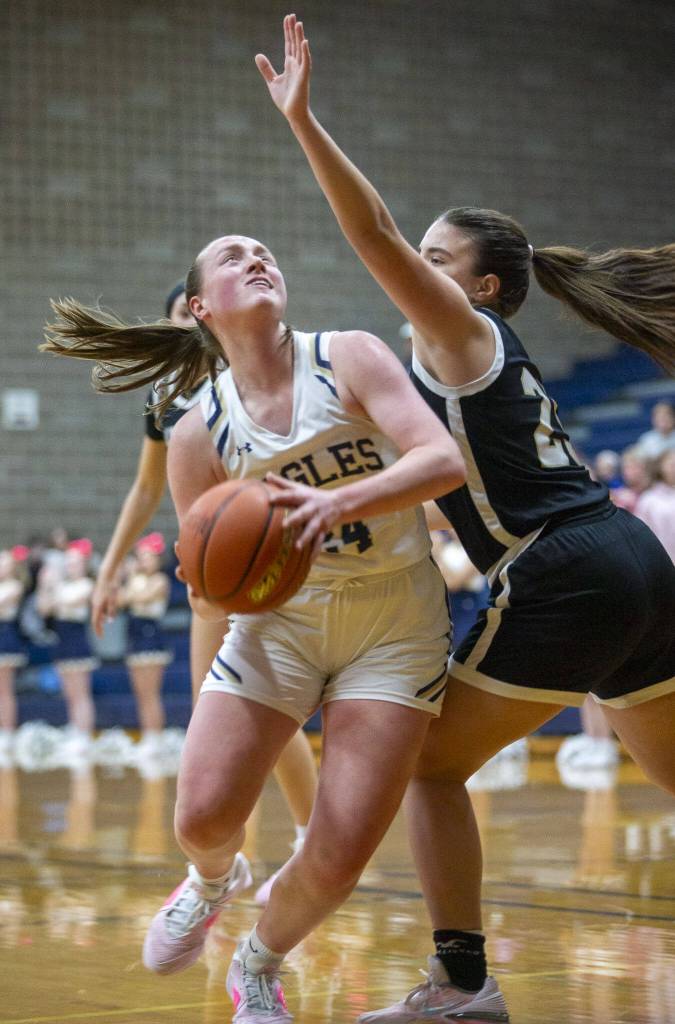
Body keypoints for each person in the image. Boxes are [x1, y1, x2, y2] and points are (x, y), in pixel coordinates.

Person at [257, 17, 675, 1022]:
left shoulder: (465, 335)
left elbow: (370, 235)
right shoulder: (428, 376)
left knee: (427, 763)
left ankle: (462, 982)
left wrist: (305, 123)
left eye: (439, 257)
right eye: (427, 255)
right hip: (633, 561)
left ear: (482, 287)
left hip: (567, 565)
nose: (419, 265)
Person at [41, 231, 466, 1022]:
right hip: (280, 625)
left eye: (265, 251)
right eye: (233, 256)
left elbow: (442, 461)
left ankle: (259, 963)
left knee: (337, 858)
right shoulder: (197, 429)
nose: (257, 257)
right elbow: (208, 583)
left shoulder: (349, 356)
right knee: (201, 816)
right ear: (201, 306)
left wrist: (338, 502)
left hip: (393, 623)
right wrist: (204, 581)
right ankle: (212, 879)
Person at [90, 282, 318, 879]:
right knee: (213, 709)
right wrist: (108, 570)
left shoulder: (255, 376)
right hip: (210, 570)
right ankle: (228, 859)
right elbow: (145, 490)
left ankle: (308, 840)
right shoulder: (165, 394)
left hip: (270, 558)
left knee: (263, 706)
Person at [36, 539, 98, 764]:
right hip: (62, 641)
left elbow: (64, 602)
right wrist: (45, 585)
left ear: (84, 564)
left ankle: (84, 736)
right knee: (70, 693)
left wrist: (53, 588)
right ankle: (75, 731)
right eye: (68, 562)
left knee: (81, 693)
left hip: (77, 640)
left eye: (75, 562)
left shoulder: (87, 585)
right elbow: (44, 609)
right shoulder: (61, 585)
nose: (71, 566)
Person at [116, 532, 172, 762]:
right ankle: (148, 736)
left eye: (148, 557)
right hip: (134, 637)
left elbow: (139, 598)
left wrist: (130, 587)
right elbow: (120, 601)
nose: (143, 561)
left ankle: (155, 739)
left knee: (151, 694)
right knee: (140, 694)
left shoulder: (160, 580)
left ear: (158, 560)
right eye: (141, 557)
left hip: (151, 638)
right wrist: (129, 586)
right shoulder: (135, 579)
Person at [0, 548, 29, 762]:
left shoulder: (14, 586)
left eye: (4, 563)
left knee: (4, 689)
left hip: (6, 637)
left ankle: (8, 733)